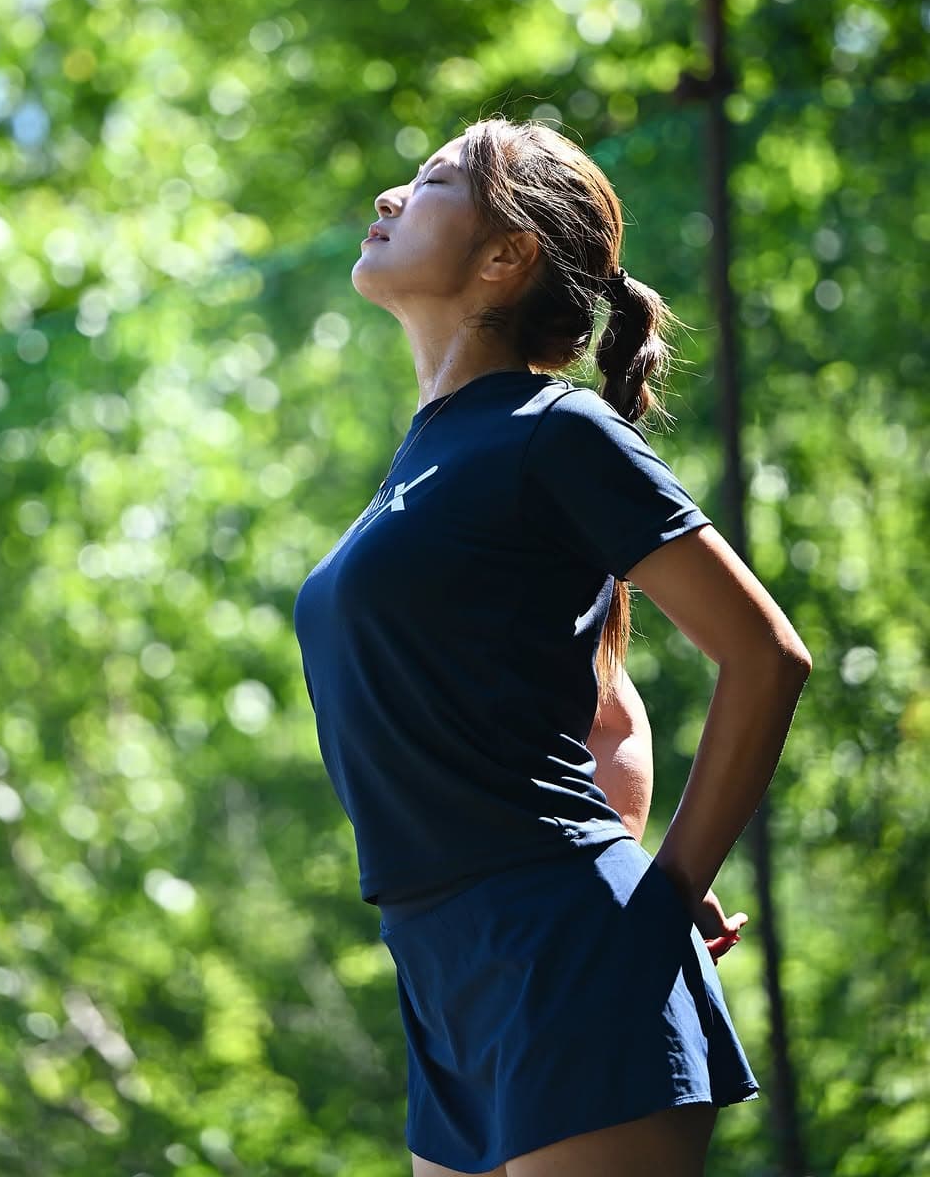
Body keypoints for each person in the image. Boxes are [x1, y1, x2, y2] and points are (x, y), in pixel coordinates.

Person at [292, 116, 812, 1177]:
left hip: (563, 963)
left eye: (431, 180)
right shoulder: (425, 463)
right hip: (443, 973)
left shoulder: (553, 428)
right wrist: (618, 846)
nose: (389, 196)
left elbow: (765, 654)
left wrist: (657, 893)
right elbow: (609, 705)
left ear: (503, 255)